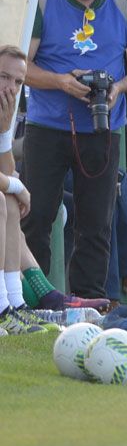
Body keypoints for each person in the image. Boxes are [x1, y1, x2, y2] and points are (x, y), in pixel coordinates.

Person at [23, 0, 127, 303]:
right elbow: (23, 68)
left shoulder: (123, 4)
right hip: (47, 125)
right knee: (38, 216)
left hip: (103, 126)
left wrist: (117, 88)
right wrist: (62, 82)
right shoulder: (44, 2)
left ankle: (89, 300)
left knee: (96, 222)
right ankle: (35, 300)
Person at [0, 47, 45, 335]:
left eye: (18, 82)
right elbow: (10, 179)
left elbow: (6, 172)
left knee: (11, 202)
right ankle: (2, 308)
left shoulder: (5, 111)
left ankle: (16, 304)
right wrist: (17, 185)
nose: (11, 88)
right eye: (4, 77)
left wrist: (4, 129)